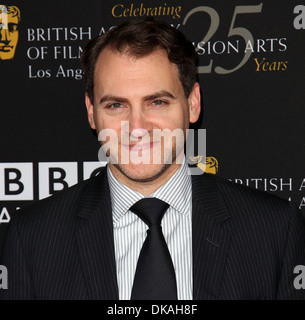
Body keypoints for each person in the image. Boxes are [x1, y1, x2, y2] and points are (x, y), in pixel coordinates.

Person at [1, 18, 305, 300]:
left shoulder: (273, 230)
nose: (137, 128)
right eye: (116, 105)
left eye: (157, 102)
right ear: (92, 111)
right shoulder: (33, 239)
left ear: (193, 104)